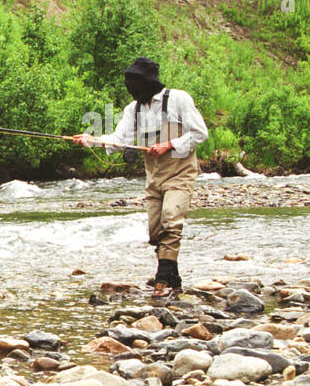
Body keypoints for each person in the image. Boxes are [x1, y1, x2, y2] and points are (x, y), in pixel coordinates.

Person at [72, 57, 209, 295]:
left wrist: (169, 144)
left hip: (180, 173)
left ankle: (163, 279)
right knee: (155, 232)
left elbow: (200, 133)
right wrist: (90, 140)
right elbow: (119, 140)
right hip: (154, 177)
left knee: (171, 220)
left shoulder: (178, 99)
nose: (131, 87)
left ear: (148, 81)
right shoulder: (132, 110)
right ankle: (173, 278)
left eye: (135, 81)